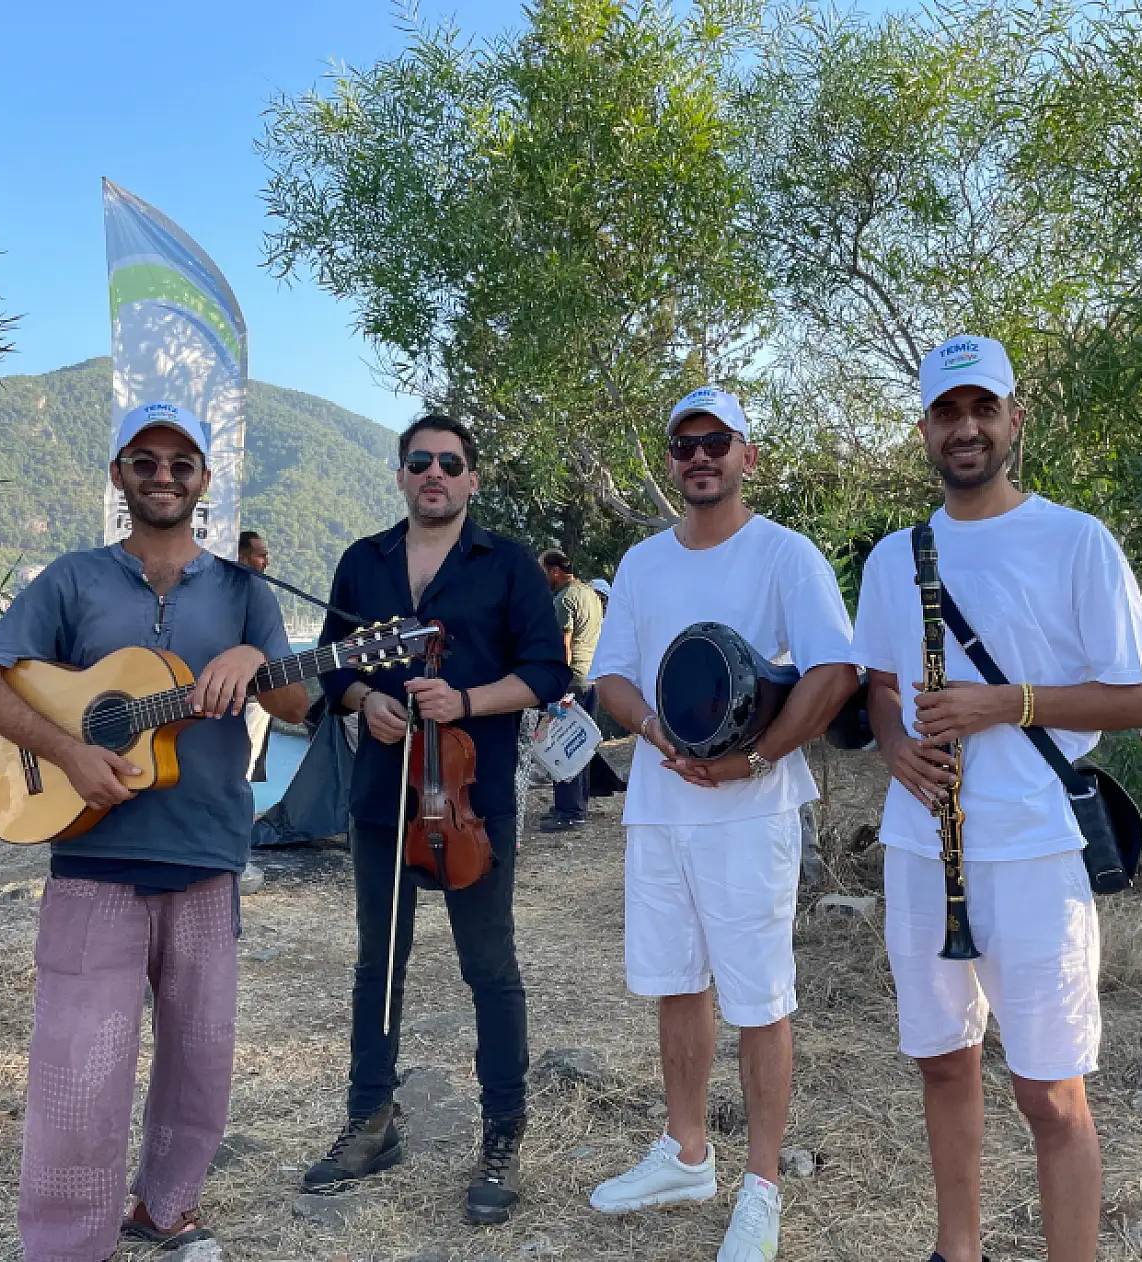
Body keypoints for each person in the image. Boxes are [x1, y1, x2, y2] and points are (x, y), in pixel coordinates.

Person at [0, 401, 310, 1262]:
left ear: (204, 480)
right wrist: (69, 753)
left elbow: (298, 706)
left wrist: (254, 660)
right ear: (119, 475)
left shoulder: (245, 591)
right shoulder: (72, 580)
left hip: (207, 852)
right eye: (144, 461)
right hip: (93, 856)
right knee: (78, 1072)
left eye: (181, 463)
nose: (163, 476)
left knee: (201, 1059)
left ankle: (167, 1208)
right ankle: (67, 1246)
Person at [849, 337, 1142, 1262]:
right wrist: (896, 747)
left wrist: (1007, 704)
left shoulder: (1076, 540)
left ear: (1014, 421)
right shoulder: (893, 558)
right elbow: (880, 683)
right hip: (923, 847)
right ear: (924, 429)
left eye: (983, 409)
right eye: (947, 412)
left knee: (1051, 1094)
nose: (966, 429)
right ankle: (958, 1251)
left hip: (1034, 851)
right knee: (943, 1065)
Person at [587, 386, 860, 1262]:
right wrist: (655, 730)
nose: (699, 456)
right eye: (684, 444)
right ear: (671, 460)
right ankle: (686, 1154)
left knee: (759, 998)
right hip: (661, 804)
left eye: (716, 441)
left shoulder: (785, 555)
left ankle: (762, 1186)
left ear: (748, 454)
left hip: (751, 814)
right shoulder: (641, 563)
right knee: (677, 982)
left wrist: (757, 758)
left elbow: (835, 670)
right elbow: (612, 675)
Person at [302, 414, 569, 1225]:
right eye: (420, 461)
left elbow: (547, 671)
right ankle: (371, 1122)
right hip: (383, 798)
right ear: (400, 474)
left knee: (489, 967)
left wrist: (466, 701)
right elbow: (331, 666)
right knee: (376, 964)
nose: (435, 474)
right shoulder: (363, 562)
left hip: (470, 802)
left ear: (471, 480)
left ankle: (502, 1135)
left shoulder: (508, 564)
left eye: (451, 464)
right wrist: (365, 700)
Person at [537, 548, 604, 832]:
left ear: (555, 571)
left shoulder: (564, 599)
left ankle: (569, 812)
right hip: (592, 678)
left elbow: (564, 644)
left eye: (543, 571)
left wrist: (557, 682)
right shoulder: (590, 594)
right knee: (582, 743)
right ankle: (578, 803)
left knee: (562, 745)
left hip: (571, 681)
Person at [237, 530, 275, 782]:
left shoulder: (257, 593)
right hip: (249, 697)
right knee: (243, 766)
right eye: (260, 556)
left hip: (253, 697)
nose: (265, 563)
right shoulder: (250, 594)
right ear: (242, 557)